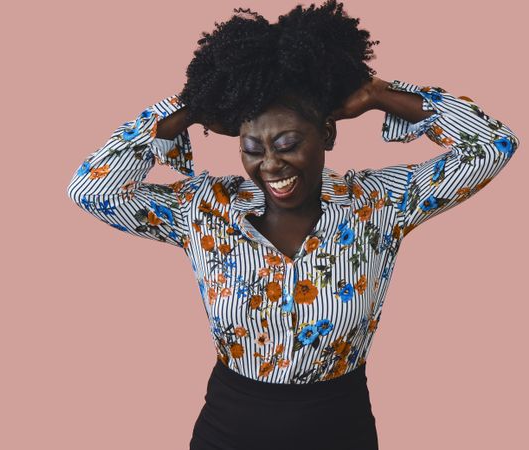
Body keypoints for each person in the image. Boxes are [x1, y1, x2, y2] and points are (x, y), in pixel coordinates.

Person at [66, 1, 519, 449]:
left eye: (287, 143)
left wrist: (379, 93)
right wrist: (191, 107)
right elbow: (92, 190)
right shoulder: (202, 210)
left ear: (327, 133)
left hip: (342, 432)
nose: (270, 164)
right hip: (227, 433)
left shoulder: (379, 204)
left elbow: (492, 144)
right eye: (252, 147)